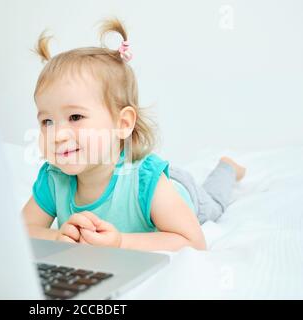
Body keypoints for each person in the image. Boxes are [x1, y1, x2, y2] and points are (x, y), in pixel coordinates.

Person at [22, 18, 246, 252]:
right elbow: (23, 230)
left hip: (179, 194)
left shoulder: (145, 182)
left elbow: (194, 241)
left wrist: (121, 242)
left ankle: (227, 167)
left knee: (215, 205)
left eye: (75, 117)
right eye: (47, 121)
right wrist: (57, 237)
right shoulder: (54, 178)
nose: (56, 136)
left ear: (122, 123)